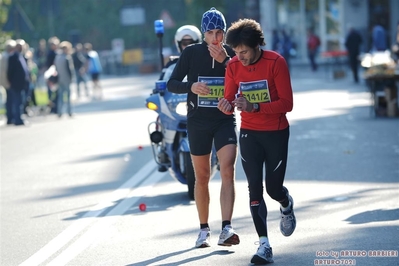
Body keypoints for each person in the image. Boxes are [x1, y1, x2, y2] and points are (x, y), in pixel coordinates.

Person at [218, 18, 296, 264]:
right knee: (254, 188)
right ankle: (264, 245)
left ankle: (286, 203)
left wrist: (255, 106)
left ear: (257, 46)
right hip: (249, 133)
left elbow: (287, 104)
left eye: (244, 52)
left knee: (273, 189)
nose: (239, 57)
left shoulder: (276, 62)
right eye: (235, 52)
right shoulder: (232, 66)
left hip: (275, 132)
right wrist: (225, 105)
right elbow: (229, 100)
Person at [167, 7, 239, 248]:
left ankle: (227, 228)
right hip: (197, 121)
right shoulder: (191, 53)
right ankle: (203, 229)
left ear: (225, 33)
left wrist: (226, 61)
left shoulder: (231, 53)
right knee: (203, 177)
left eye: (220, 32)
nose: (216, 38)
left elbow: (245, 77)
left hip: (224, 119)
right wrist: (192, 86)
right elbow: (172, 84)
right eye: (211, 33)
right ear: (203, 35)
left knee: (227, 170)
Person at [7, 39, 31, 126]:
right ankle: (17, 119)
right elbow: (10, 71)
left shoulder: (21, 56)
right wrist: (10, 81)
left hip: (22, 84)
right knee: (17, 102)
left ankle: (19, 117)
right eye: (19, 46)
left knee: (21, 101)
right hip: (16, 84)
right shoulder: (13, 57)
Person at [54, 41, 74, 117]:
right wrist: (72, 78)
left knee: (60, 96)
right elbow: (70, 70)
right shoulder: (67, 58)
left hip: (59, 79)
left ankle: (60, 112)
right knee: (68, 96)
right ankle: (69, 111)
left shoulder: (57, 57)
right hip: (66, 79)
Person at [0, 39, 16, 125]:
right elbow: (6, 71)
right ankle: (10, 117)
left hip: (5, 81)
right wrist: (8, 81)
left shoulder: (4, 55)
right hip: (8, 81)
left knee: (9, 100)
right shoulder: (7, 57)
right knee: (10, 100)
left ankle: (10, 117)